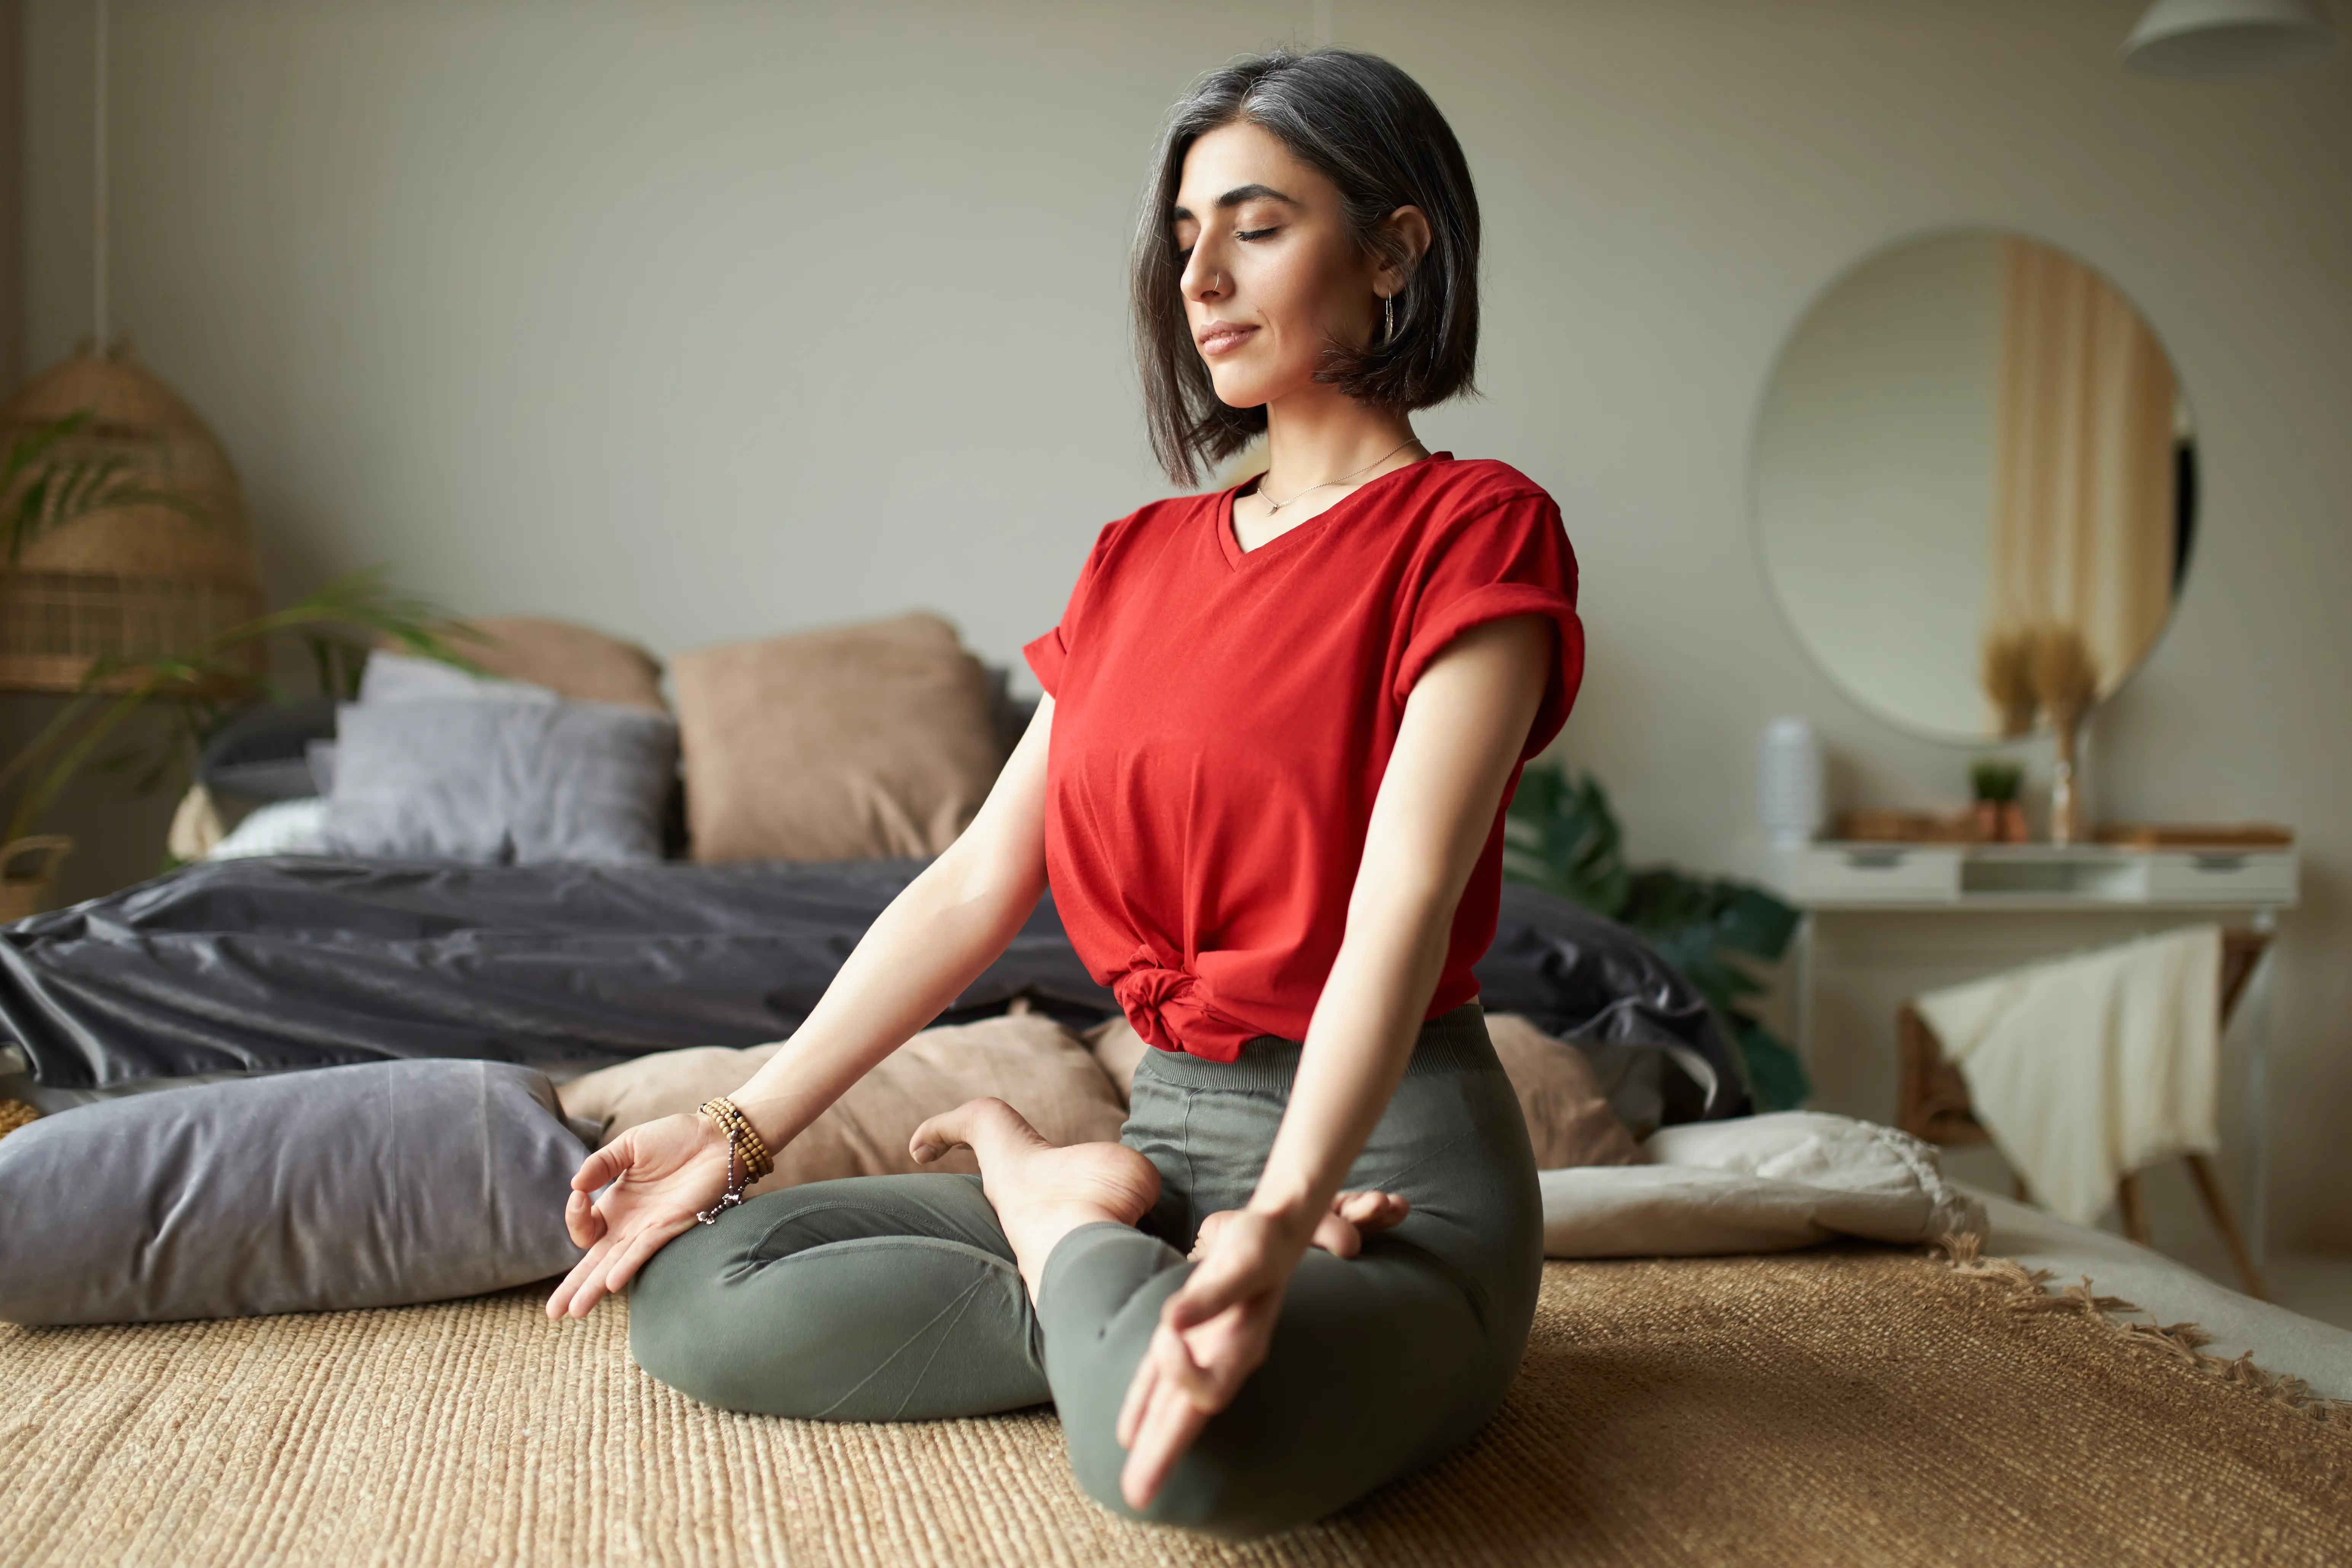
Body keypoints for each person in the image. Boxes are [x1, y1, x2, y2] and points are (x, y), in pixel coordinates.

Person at [545, 46, 1584, 1540]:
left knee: (1198, 1467)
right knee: (701, 1288)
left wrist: (1285, 1216)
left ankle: (1061, 1235)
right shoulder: (1134, 560)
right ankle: (1100, 1268)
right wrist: (732, 1134)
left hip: (1387, 1173)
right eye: (1184, 239)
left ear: (1393, 253)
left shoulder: (1475, 530)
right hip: (1161, 1149)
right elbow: (978, 879)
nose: (1200, 279)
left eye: (1258, 227)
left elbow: (1400, 906)